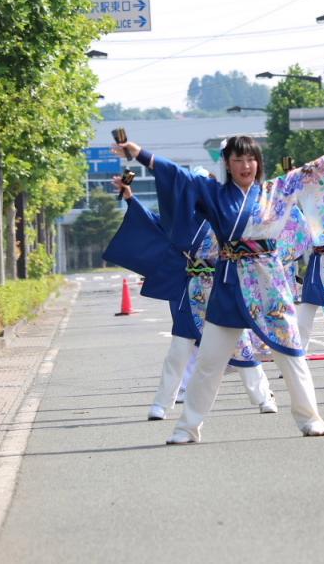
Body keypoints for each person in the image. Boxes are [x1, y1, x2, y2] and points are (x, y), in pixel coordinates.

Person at [115, 133, 324, 443]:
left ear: (260, 162)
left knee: (291, 353)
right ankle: (187, 427)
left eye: (251, 158)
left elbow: (315, 170)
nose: (246, 165)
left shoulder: (275, 190)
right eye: (238, 159)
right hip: (228, 283)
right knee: (209, 362)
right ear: (227, 164)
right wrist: (139, 153)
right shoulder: (213, 193)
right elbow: (177, 175)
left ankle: (310, 418)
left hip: (269, 283)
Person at [104, 173, 276, 422]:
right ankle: (161, 404)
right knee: (178, 351)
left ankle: (263, 398)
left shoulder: (227, 215)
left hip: (222, 288)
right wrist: (130, 197)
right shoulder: (181, 221)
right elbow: (153, 222)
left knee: (242, 347)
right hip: (192, 291)